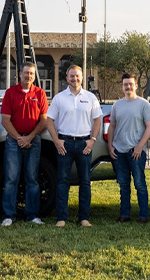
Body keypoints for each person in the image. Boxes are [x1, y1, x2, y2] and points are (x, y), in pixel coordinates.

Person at [46, 65, 103, 228]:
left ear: (82, 77)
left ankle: (83, 218)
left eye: (77, 76)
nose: (75, 79)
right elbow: (49, 121)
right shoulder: (59, 98)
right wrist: (56, 141)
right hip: (65, 143)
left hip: (84, 144)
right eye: (72, 76)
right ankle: (61, 218)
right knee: (62, 181)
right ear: (66, 77)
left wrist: (92, 139)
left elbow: (97, 120)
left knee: (85, 181)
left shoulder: (91, 97)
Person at [0, 62, 49, 227]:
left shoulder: (40, 93)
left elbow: (44, 120)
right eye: (26, 73)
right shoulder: (10, 93)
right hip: (13, 141)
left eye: (31, 73)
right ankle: (8, 215)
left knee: (32, 178)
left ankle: (32, 215)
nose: (28, 76)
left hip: (33, 141)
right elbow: (5, 120)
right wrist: (19, 138)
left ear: (34, 76)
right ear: (19, 74)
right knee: (11, 178)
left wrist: (29, 138)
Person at [106, 73, 150, 223]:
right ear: (122, 86)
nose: (128, 87)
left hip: (136, 152)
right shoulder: (117, 105)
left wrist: (140, 146)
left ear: (136, 85)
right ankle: (124, 214)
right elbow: (112, 125)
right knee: (123, 184)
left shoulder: (143, 104)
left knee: (140, 184)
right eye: (125, 84)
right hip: (120, 151)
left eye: (130, 84)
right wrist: (110, 145)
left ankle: (143, 215)